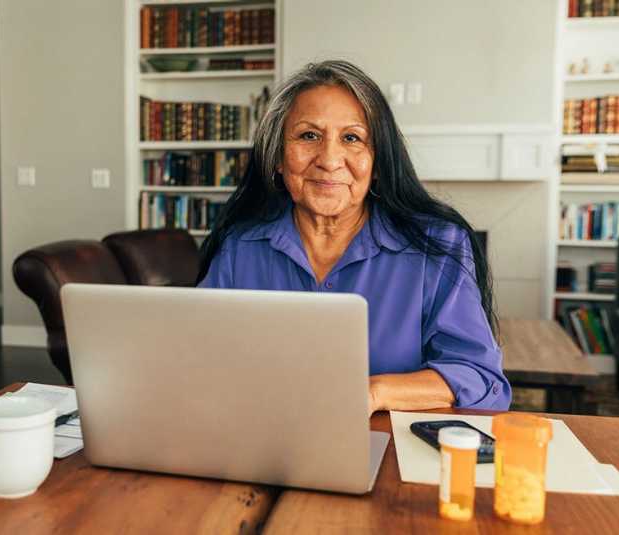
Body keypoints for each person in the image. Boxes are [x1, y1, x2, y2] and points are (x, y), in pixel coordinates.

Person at [197, 60, 511, 413]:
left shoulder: (436, 246)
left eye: (352, 138)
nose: (330, 160)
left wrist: (373, 393)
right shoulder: (240, 246)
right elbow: (197, 359)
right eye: (308, 135)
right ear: (278, 158)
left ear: (378, 163)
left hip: (391, 450)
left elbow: (479, 377)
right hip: (263, 440)